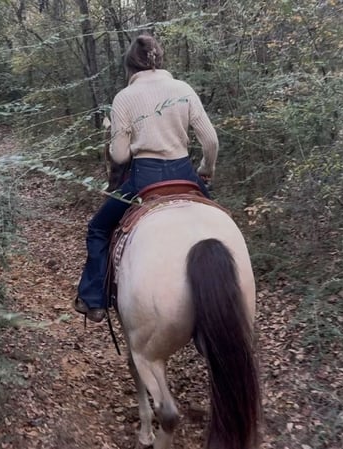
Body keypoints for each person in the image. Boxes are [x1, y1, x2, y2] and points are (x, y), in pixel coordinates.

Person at [74, 33, 219, 323]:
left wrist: (130, 141)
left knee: (98, 228)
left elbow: (119, 156)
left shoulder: (124, 98)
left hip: (144, 178)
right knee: (219, 223)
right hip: (185, 174)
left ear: (130, 64)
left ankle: (94, 299)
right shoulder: (183, 89)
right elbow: (211, 141)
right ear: (160, 59)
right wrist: (206, 169)